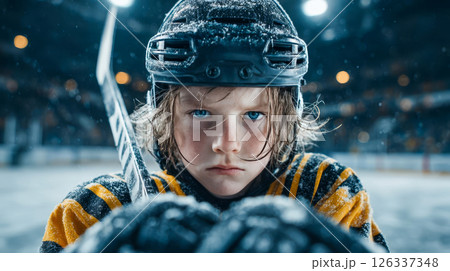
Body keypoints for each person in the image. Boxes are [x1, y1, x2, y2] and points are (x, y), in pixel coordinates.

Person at [40, 0, 389, 253]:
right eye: (201, 114)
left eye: (254, 115)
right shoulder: (98, 210)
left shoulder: (325, 191)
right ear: (164, 118)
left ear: (287, 120)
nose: (227, 143)